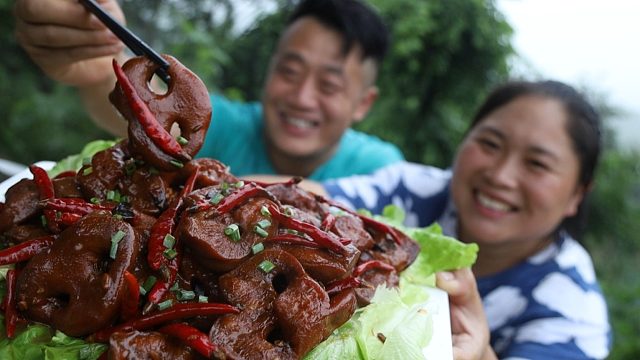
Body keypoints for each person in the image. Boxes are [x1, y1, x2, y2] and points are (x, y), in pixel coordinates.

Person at [311, 80, 611, 359]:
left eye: (537, 164)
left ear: (577, 195)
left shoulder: (575, 310)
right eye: (491, 144)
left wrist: (481, 354)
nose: (500, 176)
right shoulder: (415, 189)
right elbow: (307, 196)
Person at [13, 0, 403, 180]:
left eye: (329, 85)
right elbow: (131, 110)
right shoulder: (227, 126)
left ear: (363, 103)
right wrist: (95, 64)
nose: (302, 97)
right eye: (290, 70)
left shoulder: (382, 170)